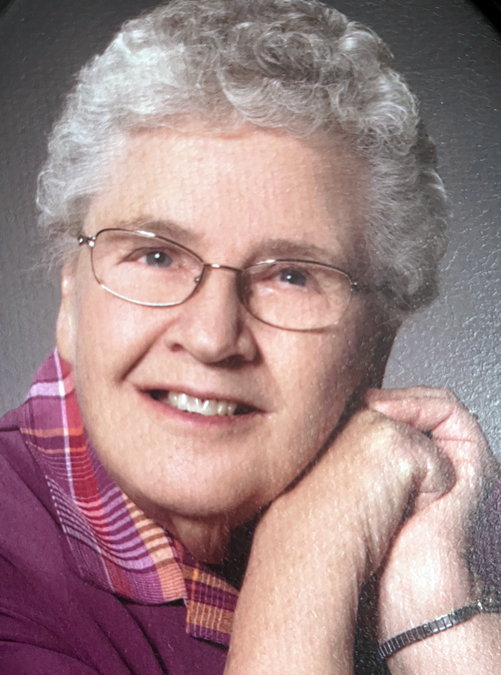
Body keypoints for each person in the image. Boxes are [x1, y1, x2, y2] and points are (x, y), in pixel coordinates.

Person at [0, 0, 500, 673]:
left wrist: (434, 606)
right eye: (156, 255)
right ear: (70, 300)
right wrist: (310, 550)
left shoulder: (454, 518)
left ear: (377, 342)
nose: (212, 337)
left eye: (292, 275)